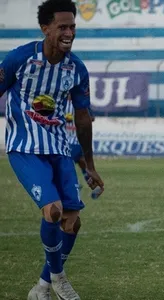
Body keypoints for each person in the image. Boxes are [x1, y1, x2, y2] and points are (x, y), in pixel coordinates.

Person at [0, 0, 104, 299]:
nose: (69, 32)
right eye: (62, 27)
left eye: (72, 26)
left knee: (73, 220)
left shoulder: (76, 68)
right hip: (25, 149)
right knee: (54, 211)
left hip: (59, 150)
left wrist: (89, 165)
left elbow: (83, 119)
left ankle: (43, 287)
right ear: (45, 29)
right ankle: (59, 277)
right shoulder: (19, 59)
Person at [64, 98, 101, 199]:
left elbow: (92, 118)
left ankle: (74, 185)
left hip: (76, 140)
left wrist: (76, 118)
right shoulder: (61, 101)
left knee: (65, 163)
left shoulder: (81, 102)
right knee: (82, 163)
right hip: (66, 139)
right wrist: (65, 118)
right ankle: (96, 187)